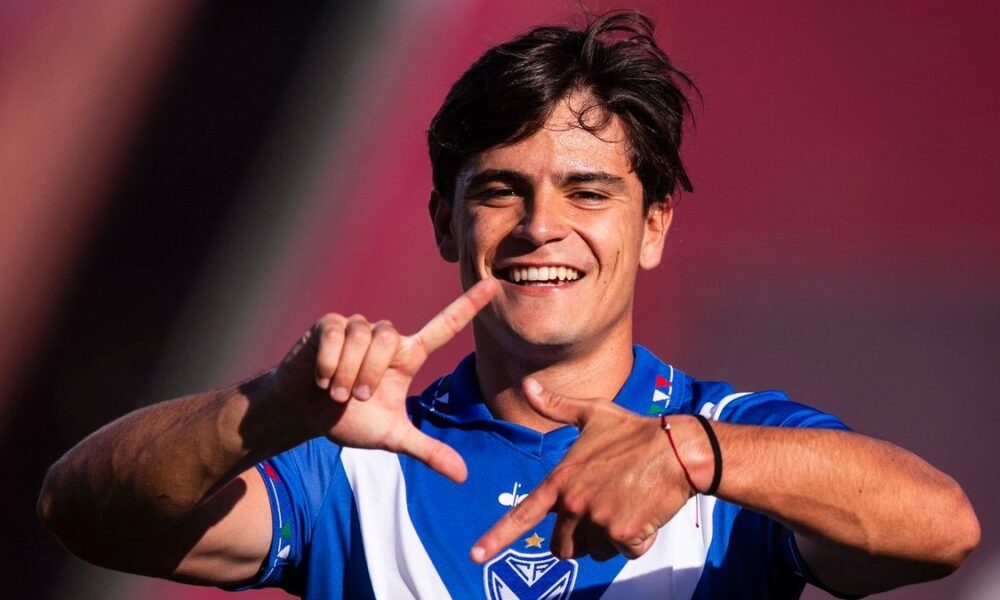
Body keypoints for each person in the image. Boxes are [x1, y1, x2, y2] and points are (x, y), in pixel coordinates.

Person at [38, 10, 979, 599]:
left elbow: (943, 529)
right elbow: (82, 511)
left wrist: (692, 454)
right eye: (499, 191)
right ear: (446, 225)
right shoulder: (354, 462)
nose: (540, 227)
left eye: (587, 192)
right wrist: (273, 407)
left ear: (654, 226)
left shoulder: (729, 446)